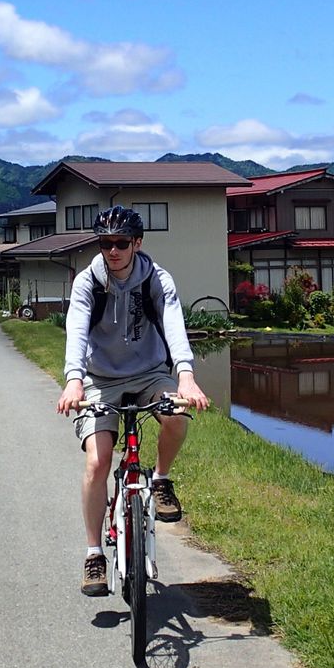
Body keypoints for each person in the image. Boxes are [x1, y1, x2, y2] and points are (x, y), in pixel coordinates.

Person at [56, 205, 210, 596]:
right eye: (105, 243)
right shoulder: (89, 282)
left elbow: (173, 323)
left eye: (121, 243)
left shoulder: (156, 280)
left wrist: (186, 376)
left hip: (149, 373)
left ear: (137, 243)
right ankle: (94, 553)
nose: (113, 250)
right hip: (99, 378)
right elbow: (76, 329)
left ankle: (160, 480)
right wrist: (73, 381)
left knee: (176, 415)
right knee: (98, 462)